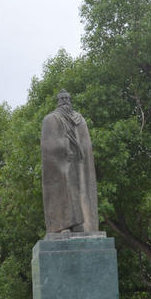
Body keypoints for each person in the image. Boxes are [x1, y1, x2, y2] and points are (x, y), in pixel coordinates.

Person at [41, 90, 99, 234]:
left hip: (79, 163)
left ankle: (84, 225)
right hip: (61, 164)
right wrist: (64, 146)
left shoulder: (80, 120)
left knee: (81, 190)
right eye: (62, 99)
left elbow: (86, 144)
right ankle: (63, 225)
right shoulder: (51, 119)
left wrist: (78, 151)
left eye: (67, 98)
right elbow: (48, 145)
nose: (65, 101)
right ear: (58, 101)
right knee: (64, 190)